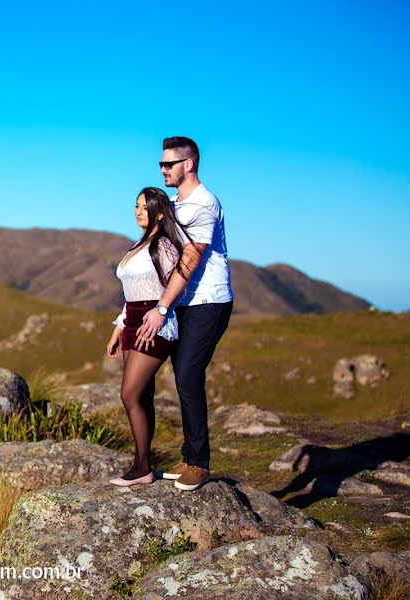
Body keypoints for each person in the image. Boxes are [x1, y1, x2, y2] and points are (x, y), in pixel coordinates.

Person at [136, 136, 234, 491]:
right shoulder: (176, 203)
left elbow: (190, 259)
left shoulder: (204, 204)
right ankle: (189, 455)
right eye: (160, 164)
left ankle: (200, 464)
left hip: (208, 302)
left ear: (188, 164)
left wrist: (161, 308)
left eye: (168, 164)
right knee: (183, 377)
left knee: (189, 376)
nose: (162, 169)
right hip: (184, 304)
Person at [106, 186, 189, 486]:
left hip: (153, 323)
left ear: (161, 212)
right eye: (137, 205)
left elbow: (174, 288)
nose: (138, 211)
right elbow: (130, 295)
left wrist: (161, 313)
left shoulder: (164, 246)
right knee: (142, 395)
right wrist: (118, 328)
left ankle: (142, 467)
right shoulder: (137, 245)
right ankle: (144, 465)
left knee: (129, 394)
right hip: (131, 321)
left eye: (145, 206)